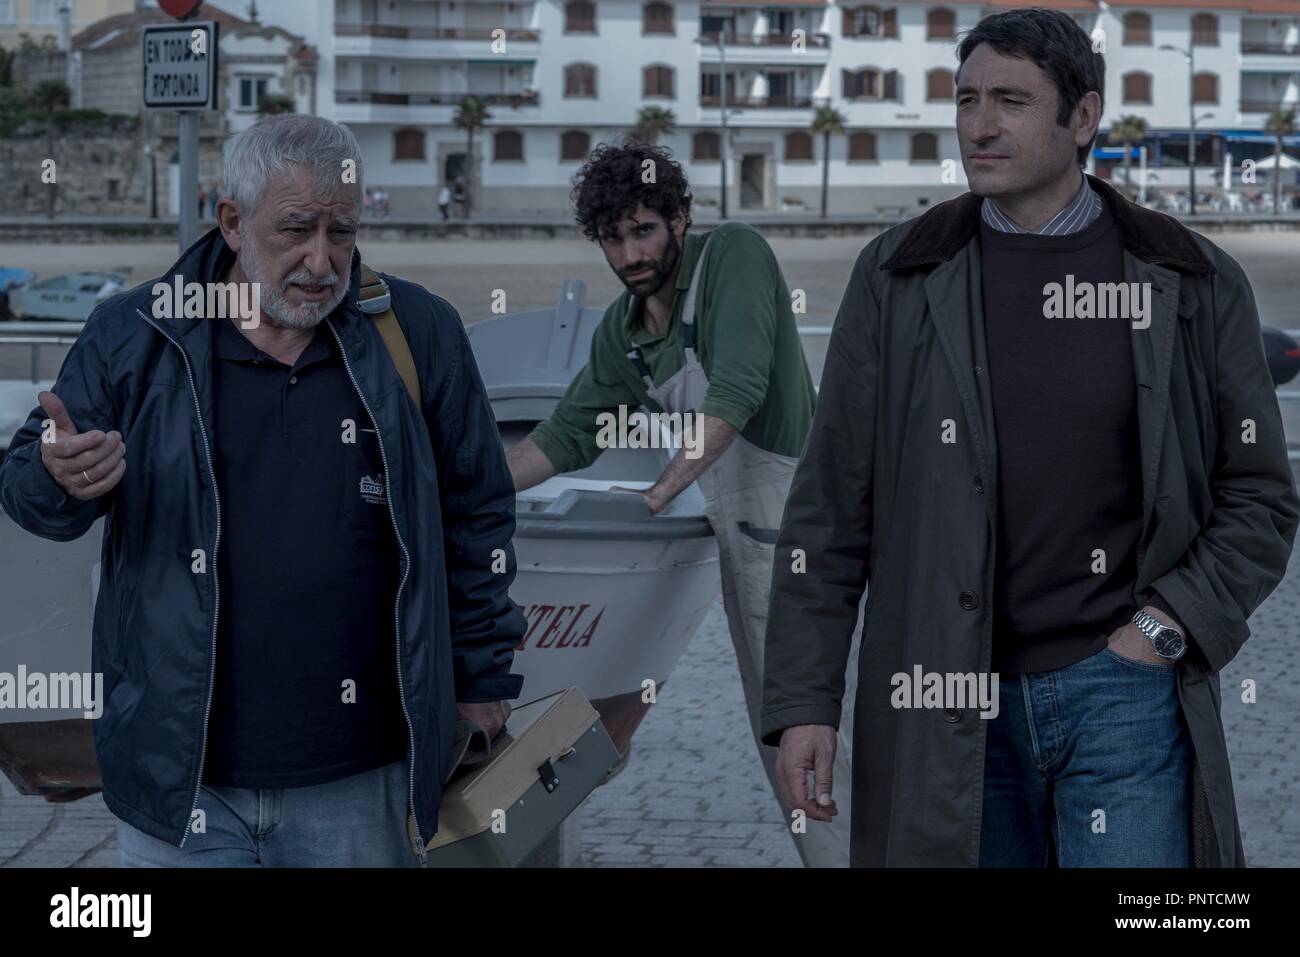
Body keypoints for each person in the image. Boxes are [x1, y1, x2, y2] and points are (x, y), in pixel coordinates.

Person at [761, 7, 1299, 867]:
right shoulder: (898, 275)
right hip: (942, 693)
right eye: (967, 98)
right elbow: (829, 508)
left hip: (1122, 694)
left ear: (1081, 118)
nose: (979, 123)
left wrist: (1161, 633)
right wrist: (803, 701)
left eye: (1010, 100)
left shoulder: (1191, 278)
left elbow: (1262, 497)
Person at [0, 115, 526, 867]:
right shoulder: (135, 333)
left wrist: (483, 676)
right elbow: (28, 487)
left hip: (362, 779)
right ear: (233, 221)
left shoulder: (419, 331)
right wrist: (57, 474)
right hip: (183, 783)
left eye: (341, 231)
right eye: (296, 230)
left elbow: (479, 513)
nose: (321, 260)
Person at [505, 140, 853, 867]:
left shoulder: (734, 257)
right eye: (613, 237)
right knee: (780, 733)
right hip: (745, 551)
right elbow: (568, 436)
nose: (630, 253)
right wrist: (467, 493)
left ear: (681, 218)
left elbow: (739, 388)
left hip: (812, 543)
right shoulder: (625, 333)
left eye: (645, 230)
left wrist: (661, 491)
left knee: (832, 729)